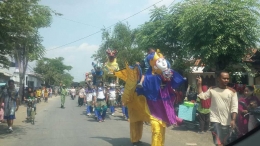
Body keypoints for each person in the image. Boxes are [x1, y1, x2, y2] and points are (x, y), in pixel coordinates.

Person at [197, 71, 238, 146]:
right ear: (218, 79)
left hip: (227, 121)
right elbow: (202, 96)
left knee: (224, 142)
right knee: (218, 142)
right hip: (215, 119)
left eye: (227, 79)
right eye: (224, 78)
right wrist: (199, 84)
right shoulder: (212, 89)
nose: (226, 80)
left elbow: (234, 107)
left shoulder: (232, 92)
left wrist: (233, 120)